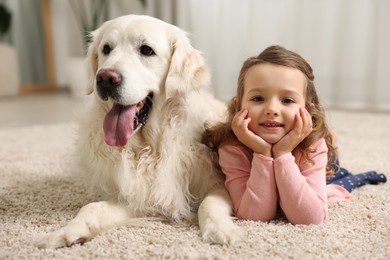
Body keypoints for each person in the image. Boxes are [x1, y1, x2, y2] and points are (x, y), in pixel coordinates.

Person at [203, 45, 352, 225]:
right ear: (238, 107)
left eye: (287, 100)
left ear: (307, 110)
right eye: (258, 99)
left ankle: (333, 139)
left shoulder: (312, 144)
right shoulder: (232, 146)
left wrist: (283, 154)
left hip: (307, 149)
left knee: (332, 161)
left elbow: (310, 218)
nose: (272, 109)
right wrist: (263, 153)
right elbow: (254, 215)